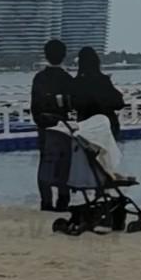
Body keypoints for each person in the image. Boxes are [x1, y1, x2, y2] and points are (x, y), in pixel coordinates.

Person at [30, 37, 74, 213]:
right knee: (64, 165)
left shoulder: (39, 78)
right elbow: (72, 105)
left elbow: (34, 107)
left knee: (45, 165)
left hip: (45, 128)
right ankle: (63, 200)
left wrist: (41, 121)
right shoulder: (67, 78)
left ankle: (46, 201)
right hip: (63, 128)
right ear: (64, 56)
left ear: (46, 55)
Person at [72, 46, 126, 141]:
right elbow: (119, 103)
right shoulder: (103, 80)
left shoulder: (76, 83)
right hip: (107, 125)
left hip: (86, 126)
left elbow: (74, 104)